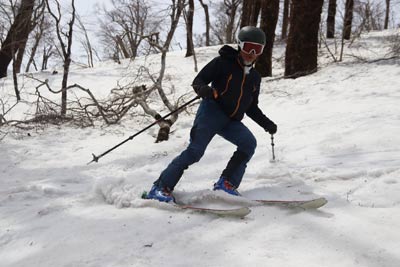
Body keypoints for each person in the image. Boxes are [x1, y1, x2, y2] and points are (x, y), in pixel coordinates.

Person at [146, 26, 277, 202]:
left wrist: (266, 123)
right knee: (195, 152)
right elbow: (198, 81)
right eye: (248, 47)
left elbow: (251, 107)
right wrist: (203, 89)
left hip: (231, 120)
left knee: (248, 143)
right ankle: (160, 187)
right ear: (240, 45)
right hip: (211, 112)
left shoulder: (255, 78)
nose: (252, 53)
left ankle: (226, 183)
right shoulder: (222, 63)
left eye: (257, 49)